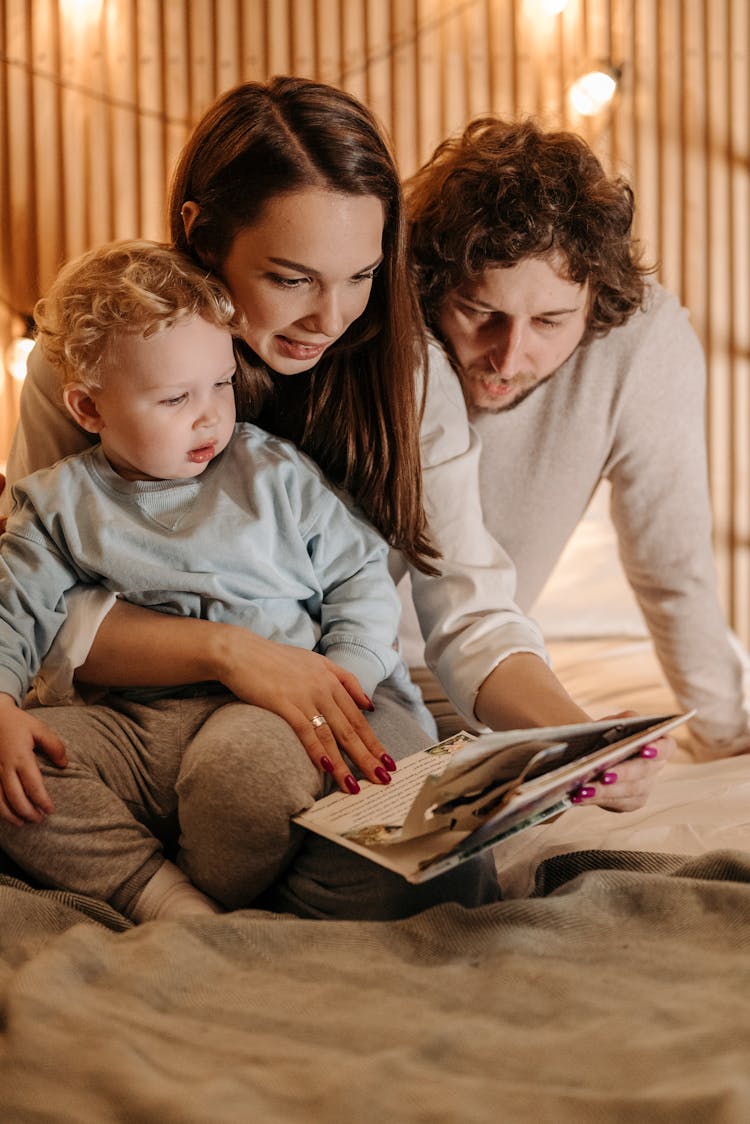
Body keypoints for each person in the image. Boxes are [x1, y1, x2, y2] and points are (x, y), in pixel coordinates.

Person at [0, 77, 669, 830]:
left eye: (361, 276)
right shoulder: (100, 349)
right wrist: (233, 653)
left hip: (343, 696)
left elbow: (471, 612)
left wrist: (574, 737)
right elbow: (39, 603)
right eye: (291, 279)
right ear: (202, 232)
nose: (331, 318)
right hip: (144, 718)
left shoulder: (403, 372)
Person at [0, 239, 507, 922]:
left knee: (249, 779)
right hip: (139, 726)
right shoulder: (57, 504)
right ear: (89, 411)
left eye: (221, 384)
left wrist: (346, 676)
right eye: (176, 397)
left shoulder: (272, 475)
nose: (210, 414)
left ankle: (246, 897)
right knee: (14, 775)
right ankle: (163, 896)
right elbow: (13, 611)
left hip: (286, 711)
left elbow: (359, 574)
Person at [405, 115, 750, 760]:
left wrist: (726, 738)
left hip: (490, 677)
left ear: (595, 304)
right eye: (481, 313)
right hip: (348, 668)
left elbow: (671, 566)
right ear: (433, 283)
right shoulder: (388, 321)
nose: (509, 359)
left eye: (550, 322)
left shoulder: (642, 343)